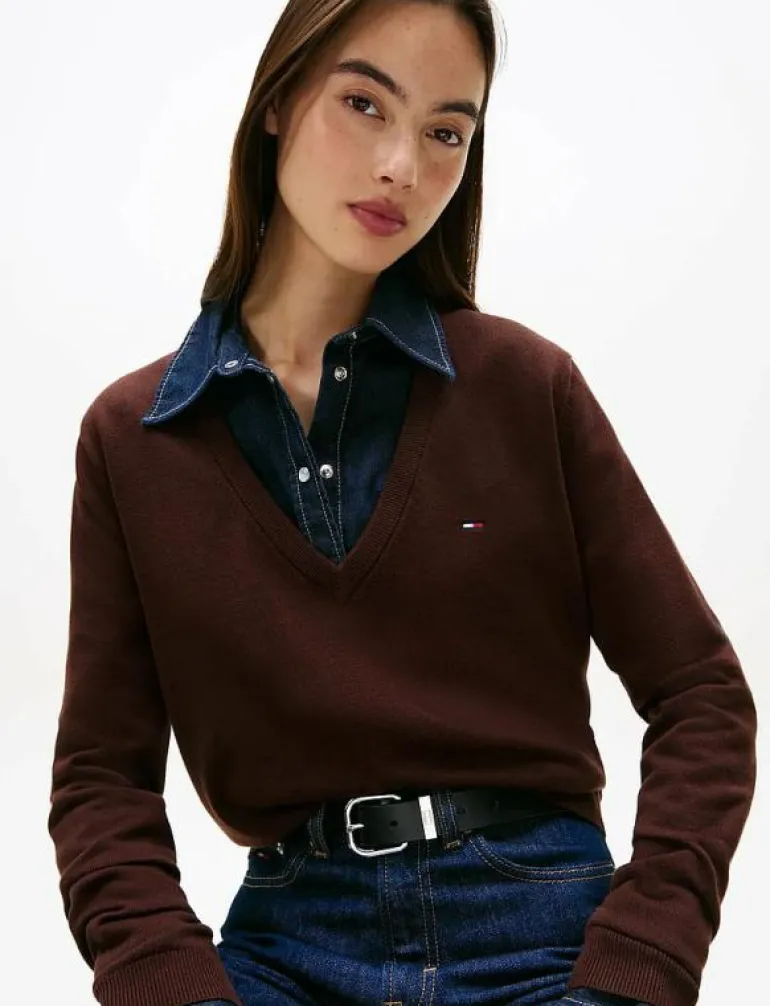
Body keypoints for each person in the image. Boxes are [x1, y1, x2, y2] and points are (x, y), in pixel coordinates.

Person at [47, 1, 757, 1005]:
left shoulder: (525, 387)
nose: (401, 168)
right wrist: (173, 986)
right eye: (364, 104)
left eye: (444, 132)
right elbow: (101, 780)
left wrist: (636, 968)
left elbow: (701, 696)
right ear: (277, 102)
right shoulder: (134, 440)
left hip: (541, 933)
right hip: (285, 947)